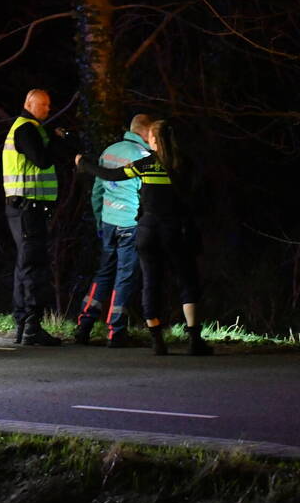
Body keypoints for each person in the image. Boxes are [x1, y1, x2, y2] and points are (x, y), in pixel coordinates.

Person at [75, 119, 213, 356]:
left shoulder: (146, 163)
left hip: (147, 230)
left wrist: (84, 164)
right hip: (174, 229)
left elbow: (111, 174)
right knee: (186, 280)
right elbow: (197, 197)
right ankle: (194, 338)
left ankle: (157, 340)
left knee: (150, 282)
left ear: (154, 141)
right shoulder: (184, 164)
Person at [73, 114, 153, 348]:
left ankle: (84, 324)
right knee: (125, 275)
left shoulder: (109, 151)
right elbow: (146, 196)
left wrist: (100, 220)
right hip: (130, 223)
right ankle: (115, 330)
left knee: (103, 273)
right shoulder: (144, 158)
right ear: (146, 133)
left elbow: (97, 190)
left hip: (108, 221)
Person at [3, 89, 73, 346]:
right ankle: (31, 324)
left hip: (24, 207)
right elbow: (42, 160)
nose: (48, 109)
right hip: (27, 208)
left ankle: (24, 324)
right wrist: (55, 139)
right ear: (29, 104)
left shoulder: (26, 128)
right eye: (44, 105)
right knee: (33, 265)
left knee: (26, 264)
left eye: (49, 105)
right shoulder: (27, 129)